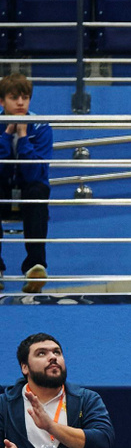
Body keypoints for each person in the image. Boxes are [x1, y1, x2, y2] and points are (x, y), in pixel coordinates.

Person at [1, 74, 52, 294]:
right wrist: (6, 135)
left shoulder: (40, 126)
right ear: (2, 101)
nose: (21, 103)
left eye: (25, 97)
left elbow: (36, 173)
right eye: (14, 98)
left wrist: (23, 137)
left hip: (28, 192)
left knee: (38, 190)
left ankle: (34, 268)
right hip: (3, 189)